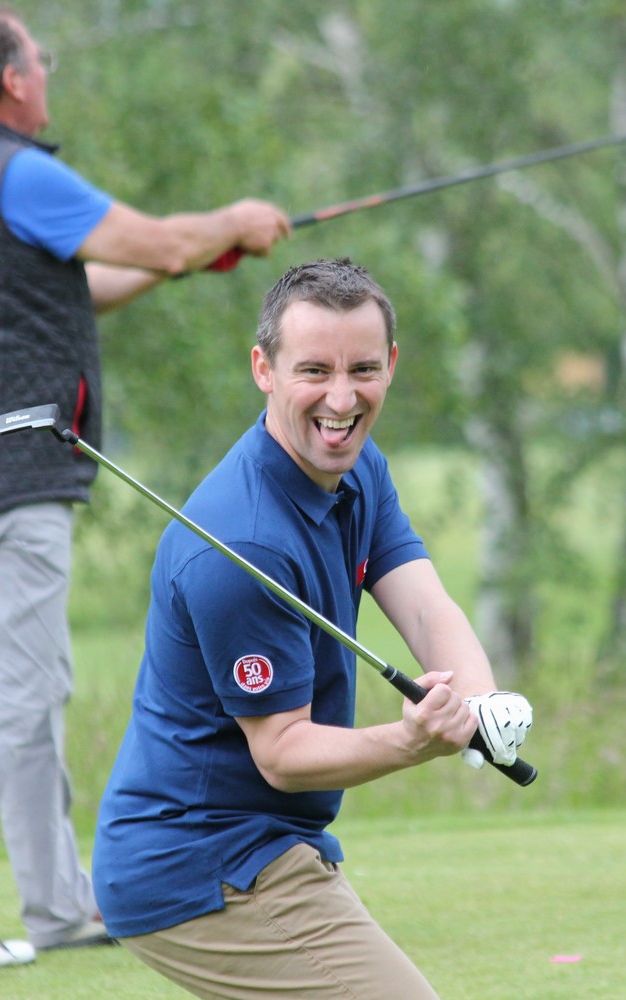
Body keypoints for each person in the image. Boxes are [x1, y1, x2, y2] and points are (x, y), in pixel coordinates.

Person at [0, 1, 291, 973]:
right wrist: (230, 226)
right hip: (11, 479)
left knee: (34, 685)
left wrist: (193, 257)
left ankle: (59, 904)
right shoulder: (20, 173)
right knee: (5, 692)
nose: (46, 72)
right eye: (41, 58)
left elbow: (78, 285)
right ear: (14, 80)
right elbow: (153, 240)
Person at [92, 258, 534, 999]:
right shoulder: (245, 547)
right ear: (263, 369)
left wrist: (482, 700)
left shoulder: (357, 468)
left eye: (363, 369)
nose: (341, 398)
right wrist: (412, 741)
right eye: (314, 370)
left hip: (267, 843)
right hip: (198, 862)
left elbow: (424, 606)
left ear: (391, 365)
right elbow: (283, 753)